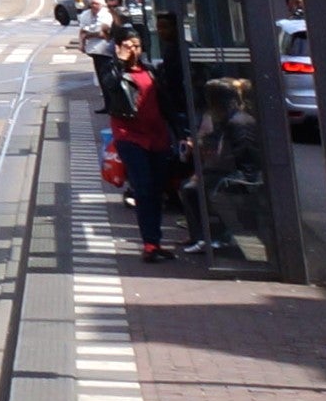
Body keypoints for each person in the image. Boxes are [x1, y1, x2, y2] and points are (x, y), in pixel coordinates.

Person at [99, 30, 179, 261]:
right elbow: (110, 86)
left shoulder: (150, 71)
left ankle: (155, 240)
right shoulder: (112, 69)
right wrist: (120, 61)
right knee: (143, 188)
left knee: (157, 190)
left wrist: (180, 133)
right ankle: (150, 244)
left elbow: (165, 104)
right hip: (129, 137)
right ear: (118, 47)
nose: (134, 49)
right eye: (128, 45)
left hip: (157, 137)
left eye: (137, 45)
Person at [177, 76, 261, 259]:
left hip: (240, 176)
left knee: (194, 189)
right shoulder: (229, 119)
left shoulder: (239, 122)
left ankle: (211, 237)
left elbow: (242, 156)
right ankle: (203, 236)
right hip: (230, 171)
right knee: (190, 188)